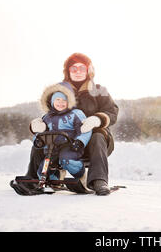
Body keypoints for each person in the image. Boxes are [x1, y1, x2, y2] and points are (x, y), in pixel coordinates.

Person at [27, 52, 119, 195]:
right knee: (43, 137)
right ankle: (33, 179)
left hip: (92, 141)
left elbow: (111, 112)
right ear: (68, 71)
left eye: (81, 68)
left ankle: (98, 180)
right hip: (64, 138)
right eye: (73, 68)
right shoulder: (59, 90)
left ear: (89, 70)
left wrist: (97, 120)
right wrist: (41, 123)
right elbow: (53, 111)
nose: (77, 72)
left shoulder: (99, 91)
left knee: (97, 136)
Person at [31, 83, 92, 181]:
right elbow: (40, 132)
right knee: (45, 166)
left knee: (67, 160)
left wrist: (80, 141)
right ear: (52, 101)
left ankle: (81, 176)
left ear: (69, 101)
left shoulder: (75, 114)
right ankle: (52, 179)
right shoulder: (47, 117)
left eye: (64, 100)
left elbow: (85, 130)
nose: (61, 103)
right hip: (52, 148)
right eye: (57, 100)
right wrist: (38, 140)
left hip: (70, 146)